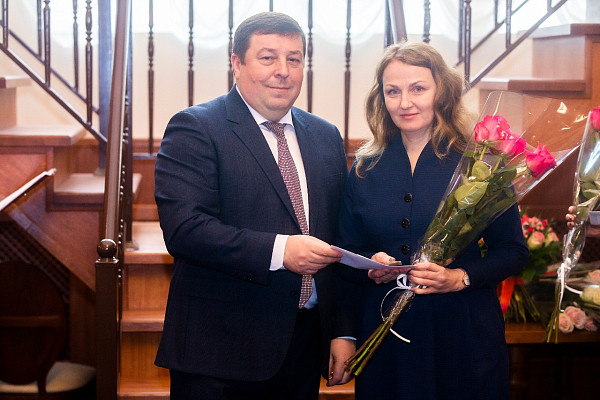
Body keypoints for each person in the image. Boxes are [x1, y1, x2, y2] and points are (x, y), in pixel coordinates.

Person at [153, 12, 352, 400]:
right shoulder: (195, 128)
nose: (283, 71)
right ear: (237, 63)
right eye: (267, 57)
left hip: (304, 347)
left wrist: (342, 329)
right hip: (220, 353)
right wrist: (281, 251)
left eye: (294, 59)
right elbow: (185, 230)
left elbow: (338, 237)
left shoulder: (326, 136)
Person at [334, 42, 529, 400]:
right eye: (393, 91)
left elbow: (513, 251)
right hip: (385, 337)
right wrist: (370, 266)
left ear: (443, 91)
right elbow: (346, 252)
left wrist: (460, 277)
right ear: (381, 98)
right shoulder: (364, 168)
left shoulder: (479, 164)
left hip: (463, 334)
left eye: (418, 89)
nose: (404, 102)